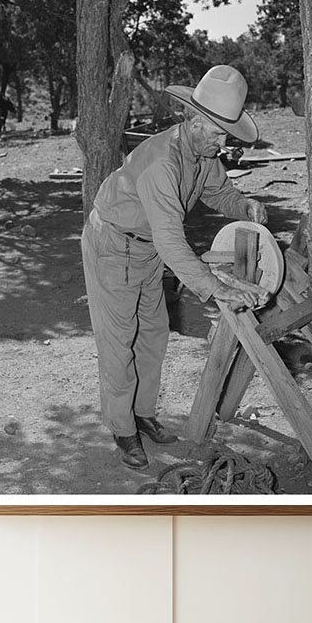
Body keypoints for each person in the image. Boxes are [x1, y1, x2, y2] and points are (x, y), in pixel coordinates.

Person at [80, 65, 270, 470]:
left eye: (226, 136)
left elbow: (218, 191)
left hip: (146, 248)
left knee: (153, 334)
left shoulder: (202, 152)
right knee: (119, 343)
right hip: (113, 245)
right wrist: (216, 288)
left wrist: (244, 206)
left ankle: (143, 414)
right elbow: (171, 241)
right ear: (194, 121)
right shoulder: (161, 164)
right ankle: (122, 428)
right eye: (218, 134)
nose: (222, 145)